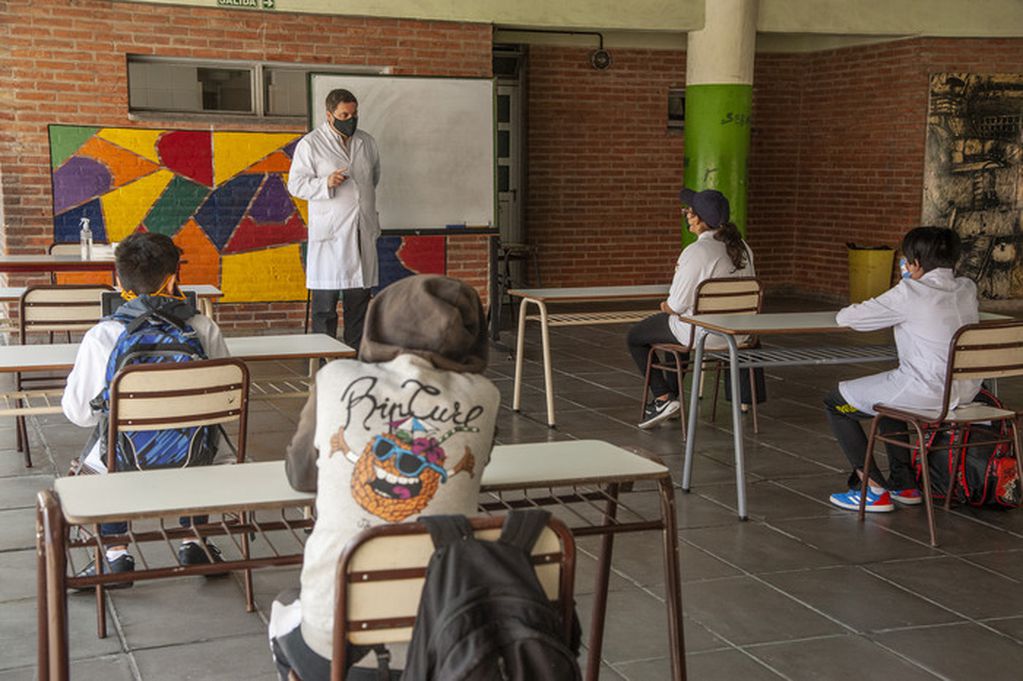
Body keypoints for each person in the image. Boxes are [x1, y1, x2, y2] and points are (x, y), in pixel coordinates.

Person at [268, 275, 500, 681]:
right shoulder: (484, 395)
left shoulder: (336, 378)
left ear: (379, 321)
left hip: (337, 645)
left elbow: (301, 475)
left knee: (287, 608)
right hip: (448, 640)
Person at [61, 232, 230, 580]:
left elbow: (78, 412)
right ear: (172, 280)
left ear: (118, 281)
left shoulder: (103, 335)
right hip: (195, 456)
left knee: (105, 444)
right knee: (205, 436)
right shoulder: (203, 328)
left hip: (123, 461)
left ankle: (115, 552)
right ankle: (193, 539)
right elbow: (228, 399)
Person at [826, 226, 980, 513]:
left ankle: (871, 489)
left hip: (928, 394)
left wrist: (903, 287)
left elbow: (848, 318)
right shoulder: (967, 289)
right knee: (886, 397)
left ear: (915, 263)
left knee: (835, 402)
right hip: (967, 394)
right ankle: (904, 484)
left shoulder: (911, 291)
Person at [627, 188, 755, 429]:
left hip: (703, 334)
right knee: (674, 329)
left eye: (688, 211)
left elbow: (675, 305)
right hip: (738, 334)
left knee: (637, 336)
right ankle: (671, 400)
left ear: (698, 219)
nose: (686, 215)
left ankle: (664, 398)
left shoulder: (696, 252)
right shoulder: (745, 248)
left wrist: (666, 305)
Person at [288, 88, 382, 349]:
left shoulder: (367, 142)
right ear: (329, 115)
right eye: (344, 114)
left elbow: (372, 178)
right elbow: (295, 185)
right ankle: (325, 364)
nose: (350, 119)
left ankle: (354, 360)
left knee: (358, 307)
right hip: (329, 237)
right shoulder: (311, 144)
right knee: (325, 309)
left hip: (361, 231)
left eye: (354, 114)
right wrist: (325, 183)